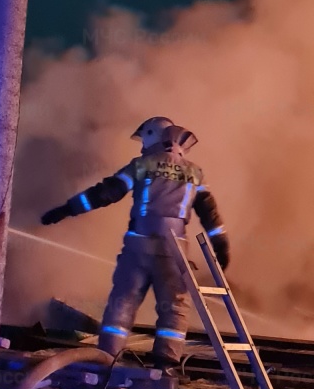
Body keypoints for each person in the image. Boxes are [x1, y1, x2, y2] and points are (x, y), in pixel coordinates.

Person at [40, 116, 230, 370]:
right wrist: (221, 245)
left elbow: (106, 193)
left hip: (138, 247)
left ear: (153, 136)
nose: (141, 147)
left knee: (123, 302)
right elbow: (210, 214)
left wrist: (67, 209)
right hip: (174, 251)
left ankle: (107, 360)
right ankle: (165, 367)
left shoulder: (142, 165)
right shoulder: (195, 173)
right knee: (174, 308)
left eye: (143, 140)